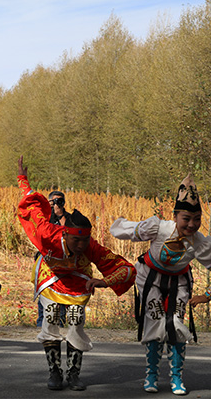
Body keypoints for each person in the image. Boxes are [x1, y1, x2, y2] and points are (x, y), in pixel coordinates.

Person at [17, 156, 135, 391]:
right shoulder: (48, 234)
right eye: (76, 240)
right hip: (50, 279)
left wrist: (103, 281)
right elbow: (33, 206)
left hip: (78, 283)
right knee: (49, 320)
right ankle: (54, 372)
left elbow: (125, 268)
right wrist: (23, 180)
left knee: (75, 322)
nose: (81, 245)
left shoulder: (90, 246)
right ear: (65, 235)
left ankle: (73, 374)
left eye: (85, 240)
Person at [110, 174, 211, 395]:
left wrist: (208, 295)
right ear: (175, 216)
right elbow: (127, 230)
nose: (192, 224)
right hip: (150, 279)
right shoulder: (158, 228)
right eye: (186, 218)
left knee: (175, 326)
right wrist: (119, 226)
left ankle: (176, 377)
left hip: (180, 282)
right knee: (155, 324)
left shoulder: (200, 242)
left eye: (197, 219)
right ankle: (152, 375)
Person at [36, 190, 70, 327]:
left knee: (61, 292)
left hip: (62, 260)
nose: (57, 203)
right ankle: (41, 324)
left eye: (60, 201)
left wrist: (60, 214)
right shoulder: (44, 216)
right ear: (49, 202)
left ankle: (60, 323)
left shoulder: (68, 217)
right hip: (45, 259)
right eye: (54, 201)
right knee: (45, 291)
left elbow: (69, 232)